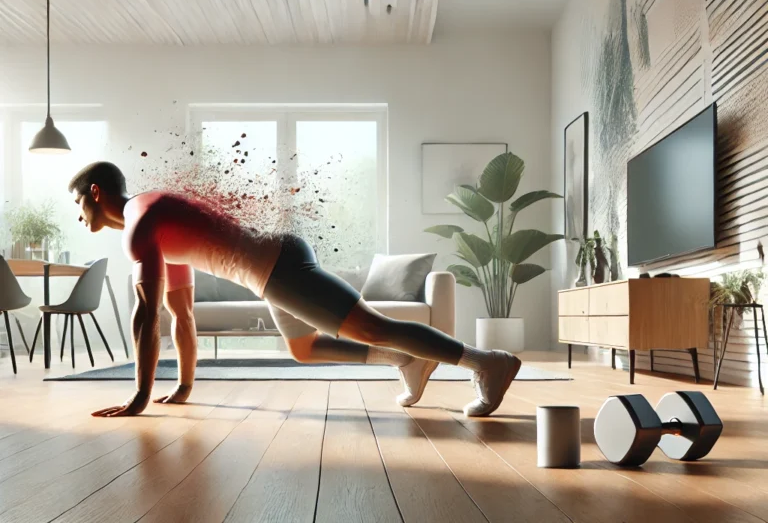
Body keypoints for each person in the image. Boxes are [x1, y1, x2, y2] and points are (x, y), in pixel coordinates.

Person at [69, 161, 521, 418]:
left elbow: (145, 318)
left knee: (371, 327)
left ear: (95, 192)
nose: (78, 215)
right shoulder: (152, 215)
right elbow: (179, 315)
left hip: (275, 269)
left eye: (78, 204)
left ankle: (487, 362)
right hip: (272, 264)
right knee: (303, 349)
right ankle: (405, 359)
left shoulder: (139, 224)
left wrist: (140, 397)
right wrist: (184, 384)